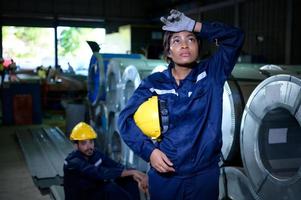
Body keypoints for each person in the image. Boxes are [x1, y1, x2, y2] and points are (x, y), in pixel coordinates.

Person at [118, 9, 244, 200]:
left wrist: (194, 25)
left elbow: (235, 37)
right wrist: (150, 152)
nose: (185, 45)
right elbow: (124, 120)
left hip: (204, 176)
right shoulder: (154, 84)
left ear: (198, 46)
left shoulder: (212, 73)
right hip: (166, 177)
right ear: (168, 51)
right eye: (176, 40)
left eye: (191, 39)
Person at [63, 122, 148, 200]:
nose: (89, 146)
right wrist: (131, 172)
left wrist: (135, 174)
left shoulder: (95, 154)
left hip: (94, 192)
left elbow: (115, 166)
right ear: (76, 146)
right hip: (80, 196)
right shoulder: (72, 162)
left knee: (128, 179)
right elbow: (99, 173)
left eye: (91, 142)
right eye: (84, 143)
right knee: (110, 188)